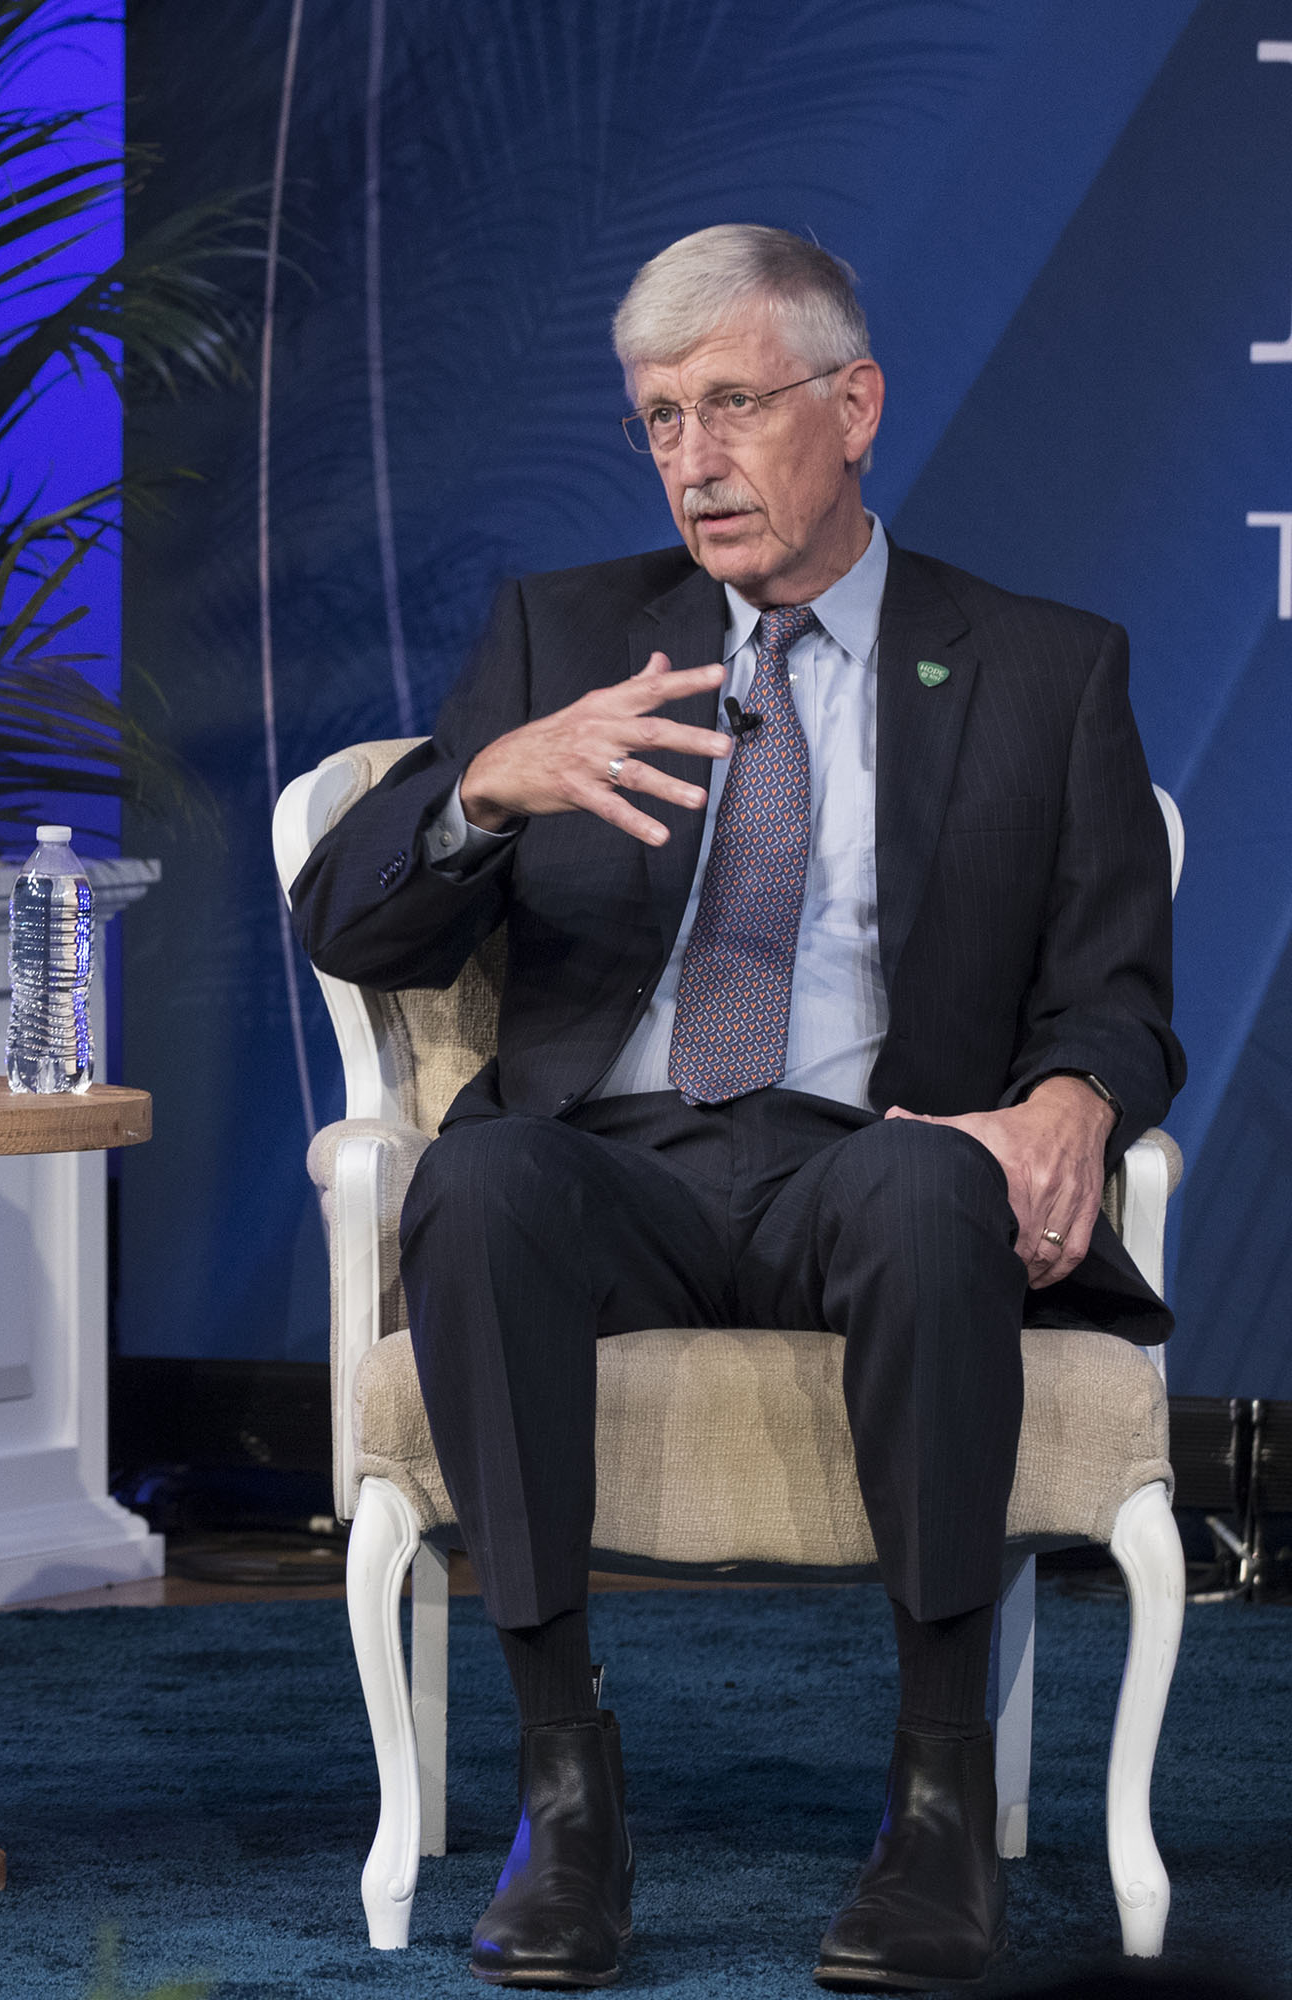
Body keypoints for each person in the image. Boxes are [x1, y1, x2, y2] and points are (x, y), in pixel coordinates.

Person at [291, 226, 1179, 1990]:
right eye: (656, 419)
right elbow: (346, 918)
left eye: (731, 405)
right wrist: (480, 791)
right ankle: (565, 1788)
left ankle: (935, 1810)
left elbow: (1117, 993)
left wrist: (1076, 1094)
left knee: (937, 1194)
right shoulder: (565, 636)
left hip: (865, 1162)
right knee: (475, 1187)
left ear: (851, 408)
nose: (692, 457)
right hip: (614, 1166)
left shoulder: (1040, 667)